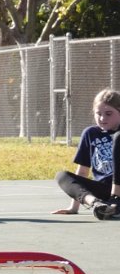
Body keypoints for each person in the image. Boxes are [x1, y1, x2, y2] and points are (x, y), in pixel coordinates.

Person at [51, 88, 120, 216]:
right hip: (104, 190)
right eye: (98, 113)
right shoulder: (90, 133)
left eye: (108, 114)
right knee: (61, 175)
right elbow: (82, 172)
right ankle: (96, 204)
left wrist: (115, 198)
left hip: (117, 192)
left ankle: (116, 200)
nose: (102, 118)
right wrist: (74, 208)